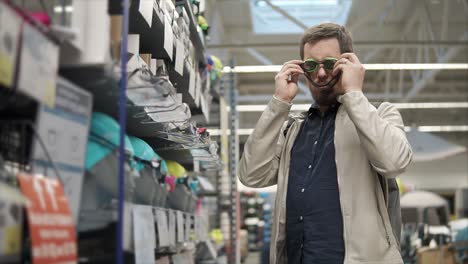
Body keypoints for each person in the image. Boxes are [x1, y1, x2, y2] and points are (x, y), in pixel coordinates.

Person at [238, 23, 413, 264]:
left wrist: (353, 93)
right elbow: (251, 175)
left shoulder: (380, 115)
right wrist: (279, 103)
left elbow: (395, 162)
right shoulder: (292, 129)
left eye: (330, 64)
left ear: (348, 64)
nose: (321, 74)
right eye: (311, 65)